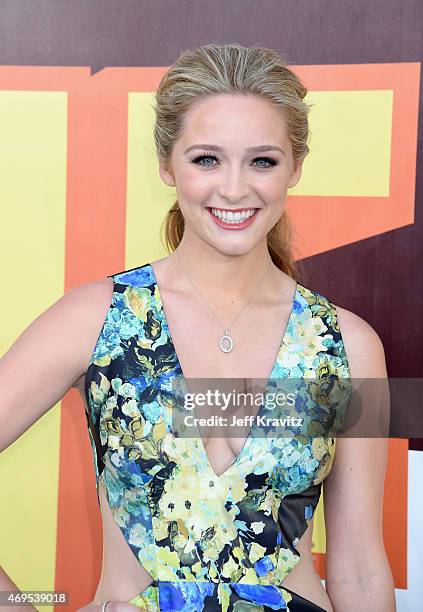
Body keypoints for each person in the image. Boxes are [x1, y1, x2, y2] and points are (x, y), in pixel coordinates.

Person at [0, 43, 395, 612]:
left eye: (263, 161)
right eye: (207, 159)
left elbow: (359, 567)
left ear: (295, 168)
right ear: (167, 164)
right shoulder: (96, 320)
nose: (234, 188)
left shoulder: (349, 346)